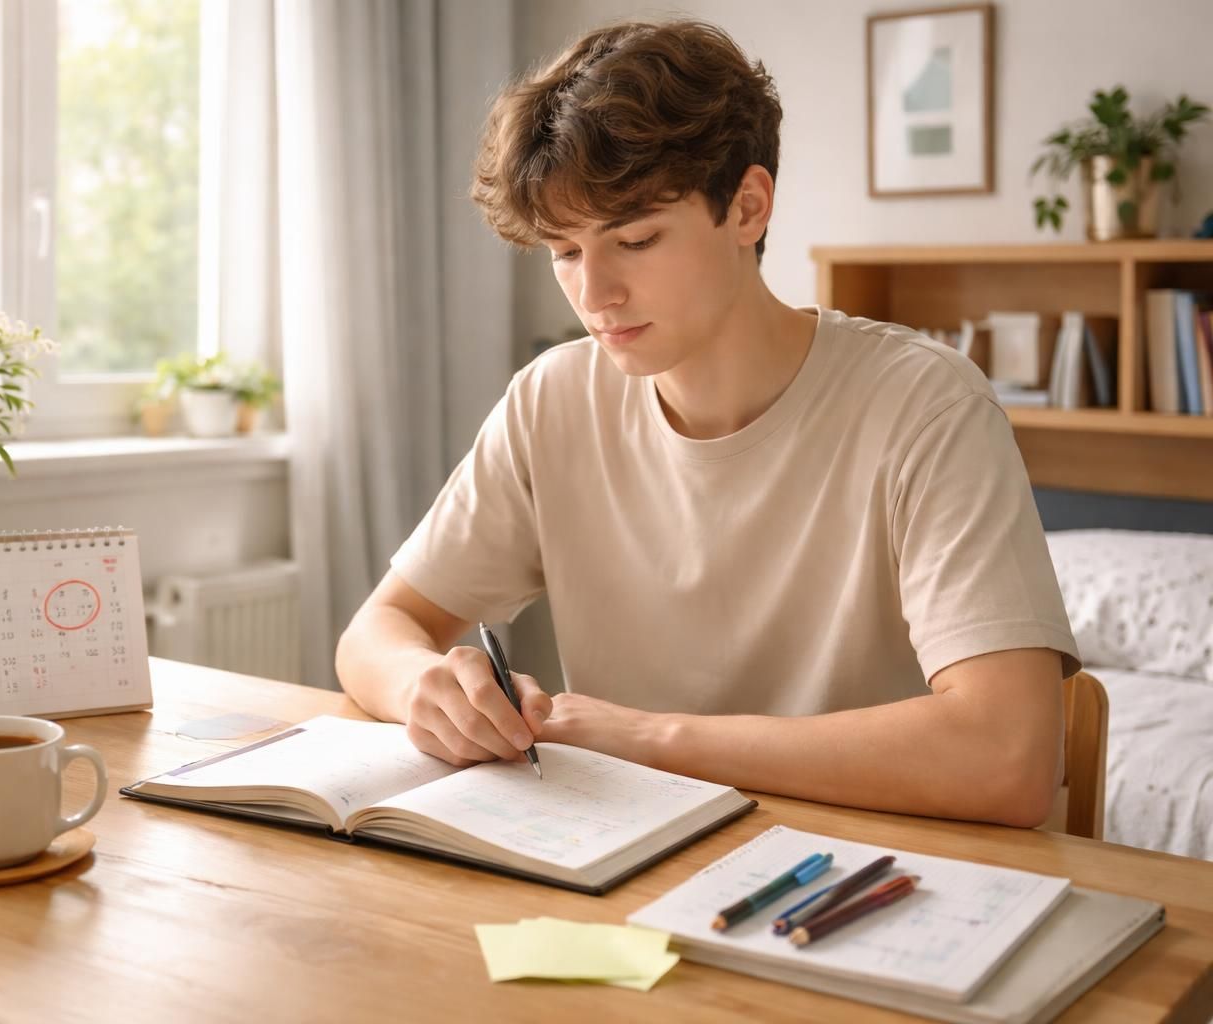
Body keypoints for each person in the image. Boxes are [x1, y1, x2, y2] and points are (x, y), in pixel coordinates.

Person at [334, 19, 1079, 828]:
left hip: (873, 874)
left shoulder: (925, 407)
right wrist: (427, 687)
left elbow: (1007, 757)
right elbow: (377, 630)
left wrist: (657, 739)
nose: (595, 295)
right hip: (623, 857)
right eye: (566, 251)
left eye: (636, 239)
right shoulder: (552, 400)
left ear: (748, 208)